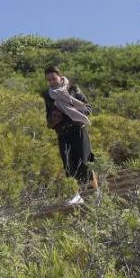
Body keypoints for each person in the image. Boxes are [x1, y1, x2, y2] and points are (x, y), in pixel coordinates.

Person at [43, 66, 99, 206]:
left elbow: (88, 108)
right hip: (62, 133)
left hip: (78, 130)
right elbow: (48, 117)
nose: (51, 82)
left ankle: (95, 191)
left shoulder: (73, 89)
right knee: (68, 163)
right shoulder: (48, 95)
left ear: (60, 76)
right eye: (48, 80)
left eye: (53, 78)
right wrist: (54, 118)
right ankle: (75, 194)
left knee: (86, 160)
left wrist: (72, 112)